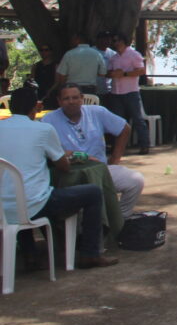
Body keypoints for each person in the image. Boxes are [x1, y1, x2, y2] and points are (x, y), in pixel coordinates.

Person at [0, 86, 117, 269]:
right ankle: (90, 253)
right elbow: (63, 165)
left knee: (17, 191)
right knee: (92, 193)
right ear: (36, 107)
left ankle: (29, 253)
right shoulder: (43, 129)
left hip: (3, 208)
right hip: (36, 205)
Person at [43, 83, 145, 217]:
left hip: (101, 170)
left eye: (75, 98)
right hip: (70, 175)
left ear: (82, 98)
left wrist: (115, 159)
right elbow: (47, 151)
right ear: (59, 101)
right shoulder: (48, 120)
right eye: (66, 99)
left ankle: (120, 219)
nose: (71, 102)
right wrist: (74, 155)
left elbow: (124, 128)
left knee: (135, 181)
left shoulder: (97, 112)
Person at [106, 33, 150, 155]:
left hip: (131, 92)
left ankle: (144, 145)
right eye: (113, 41)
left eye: (116, 40)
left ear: (123, 41)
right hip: (116, 92)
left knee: (137, 119)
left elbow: (141, 70)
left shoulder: (133, 55)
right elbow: (108, 73)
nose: (115, 43)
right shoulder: (114, 57)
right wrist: (113, 74)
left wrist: (124, 74)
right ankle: (118, 147)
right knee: (117, 121)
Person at [30, 42, 59, 109]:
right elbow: (32, 80)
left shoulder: (56, 65)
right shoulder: (36, 66)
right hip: (38, 94)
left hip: (51, 95)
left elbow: (57, 81)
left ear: (50, 52)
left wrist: (50, 91)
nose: (44, 52)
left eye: (46, 50)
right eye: (41, 50)